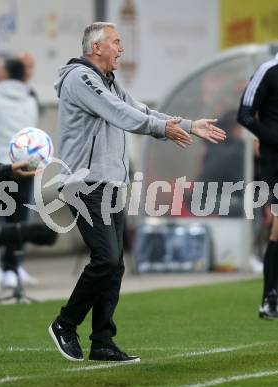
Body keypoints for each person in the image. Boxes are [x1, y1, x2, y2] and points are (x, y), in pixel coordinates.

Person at [49, 22, 226, 363]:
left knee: (114, 265)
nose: (122, 48)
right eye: (116, 42)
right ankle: (65, 323)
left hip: (110, 183)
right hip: (84, 183)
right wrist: (163, 129)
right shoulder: (80, 78)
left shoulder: (109, 81)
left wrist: (188, 125)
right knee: (106, 258)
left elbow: (141, 110)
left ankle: (102, 341)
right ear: (96, 47)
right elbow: (121, 114)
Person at [0, 58, 39, 288]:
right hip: (26, 164)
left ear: (4, 73)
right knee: (20, 218)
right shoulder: (31, 99)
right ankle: (15, 266)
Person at [238, 50, 278, 319]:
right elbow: (245, 114)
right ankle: (269, 298)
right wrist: (272, 138)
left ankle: (270, 298)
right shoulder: (268, 70)